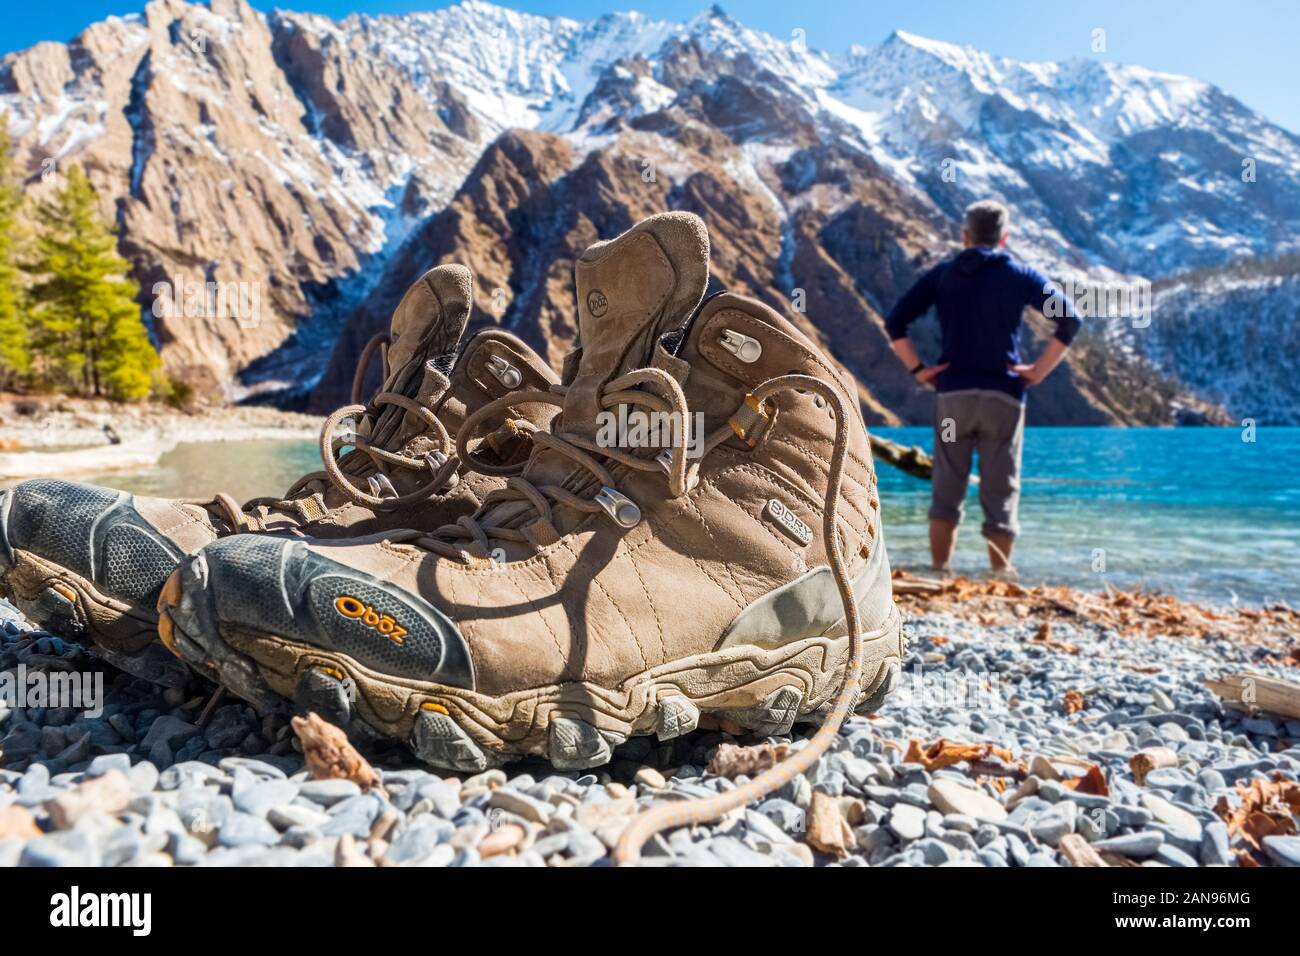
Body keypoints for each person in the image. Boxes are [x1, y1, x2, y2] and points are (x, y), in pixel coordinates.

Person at [885, 199, 1081, 575]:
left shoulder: (944, 275)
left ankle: (940, 572)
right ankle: (1000, 576)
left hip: (954, 393)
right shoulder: (1021, 275)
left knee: (947, 487)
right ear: (1004, 237)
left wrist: (919, 370)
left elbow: (896, 322)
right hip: (1003, 397)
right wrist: (1038, 371)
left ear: (965, 236)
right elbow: (1070, 320)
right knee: (1001, 490)